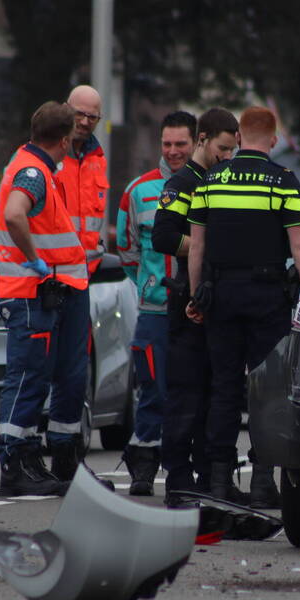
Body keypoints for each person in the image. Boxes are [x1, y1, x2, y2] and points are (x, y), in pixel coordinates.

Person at [186, 106, 300, 504]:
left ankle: (219, 483)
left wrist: (196, 297)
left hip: (222, 297)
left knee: (224, 390)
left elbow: (197, 247)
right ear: (274, 139)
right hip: (267, 300)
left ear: (240, 137)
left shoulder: (211, 180)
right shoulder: (283, 182)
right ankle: (263, 482)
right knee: (266, 393)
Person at [0, 101, 87, 496]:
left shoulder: (27, 162)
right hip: (30, 292)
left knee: (35, 377)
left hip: (37, 293)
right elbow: (16, 214)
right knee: (28, 377)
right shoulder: (33, 172)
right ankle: (15, 466)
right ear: (64, 141)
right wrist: (35, 260)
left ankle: (27, 461)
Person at [151, 107, 238, 507]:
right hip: (187, 302)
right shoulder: (183, 183)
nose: (227, 157)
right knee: (186, 395)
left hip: (216, 304)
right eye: (222, 148)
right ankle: (180, 480)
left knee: (215, 395)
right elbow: (165, 237)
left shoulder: (221, 180)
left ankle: (210, 477)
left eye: (232, 150)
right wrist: (205, 247)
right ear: (203, 140)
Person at [116, 111, 197, 495]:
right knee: (153, 390)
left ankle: (190, 468)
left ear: (195, 142)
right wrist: (149, 284)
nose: (173, 151)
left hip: (197, 308)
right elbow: (126, 249)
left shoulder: (206, 186)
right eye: (167, 144)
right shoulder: (138, 191)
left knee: (195, 390)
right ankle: (143, 465)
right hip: (155, 310)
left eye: (181, 144)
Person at [48, 84, 108, 484]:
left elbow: (93, 227)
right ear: (65, 110)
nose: (85, 122)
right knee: (38, 371)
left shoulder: (98, 159)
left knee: (74, 375)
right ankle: (22, 459)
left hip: (80, 282)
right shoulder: (49, 156)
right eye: (79, 114)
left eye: (92, 116)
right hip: (46, 281)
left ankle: (65, 460)